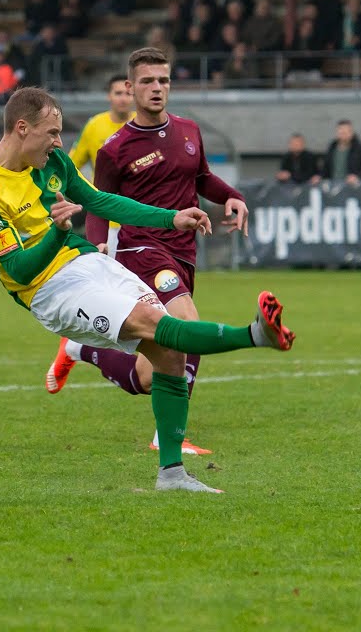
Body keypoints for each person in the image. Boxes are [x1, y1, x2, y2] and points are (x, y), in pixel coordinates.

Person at [0, 85, 294, 493]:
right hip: (49, 289)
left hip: (88, 262)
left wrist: (171, 218)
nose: (58, 142)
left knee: (168, 355)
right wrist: (57, 232)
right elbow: (18, 267)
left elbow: (103, 202)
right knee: (155, 323)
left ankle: (171, 476)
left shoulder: (52, 163)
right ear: (21, 127)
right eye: (51, 133)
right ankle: (255, 334)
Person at [69, 47, 255, 457]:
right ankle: (169, 437)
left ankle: (83, 349)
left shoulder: (189, 131)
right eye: (148, 81)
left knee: (153, 371)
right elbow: (100, 202)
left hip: (184, 250)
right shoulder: (115, 148)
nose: (157, 88)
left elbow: (203, 177)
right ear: (130, 88)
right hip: (141, 248)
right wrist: (98, 243)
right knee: (188, 323)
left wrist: (232, 197)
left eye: (164, 80)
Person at [320, 119, 361, 186]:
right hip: (334, 186)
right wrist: (320, 177)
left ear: (351, 132)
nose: (344, 135)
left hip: (353, 187)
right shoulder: (331, 148)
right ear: (337, 133)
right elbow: (325, 168)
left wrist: (357, 177)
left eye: (346, 132)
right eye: (341, 132)